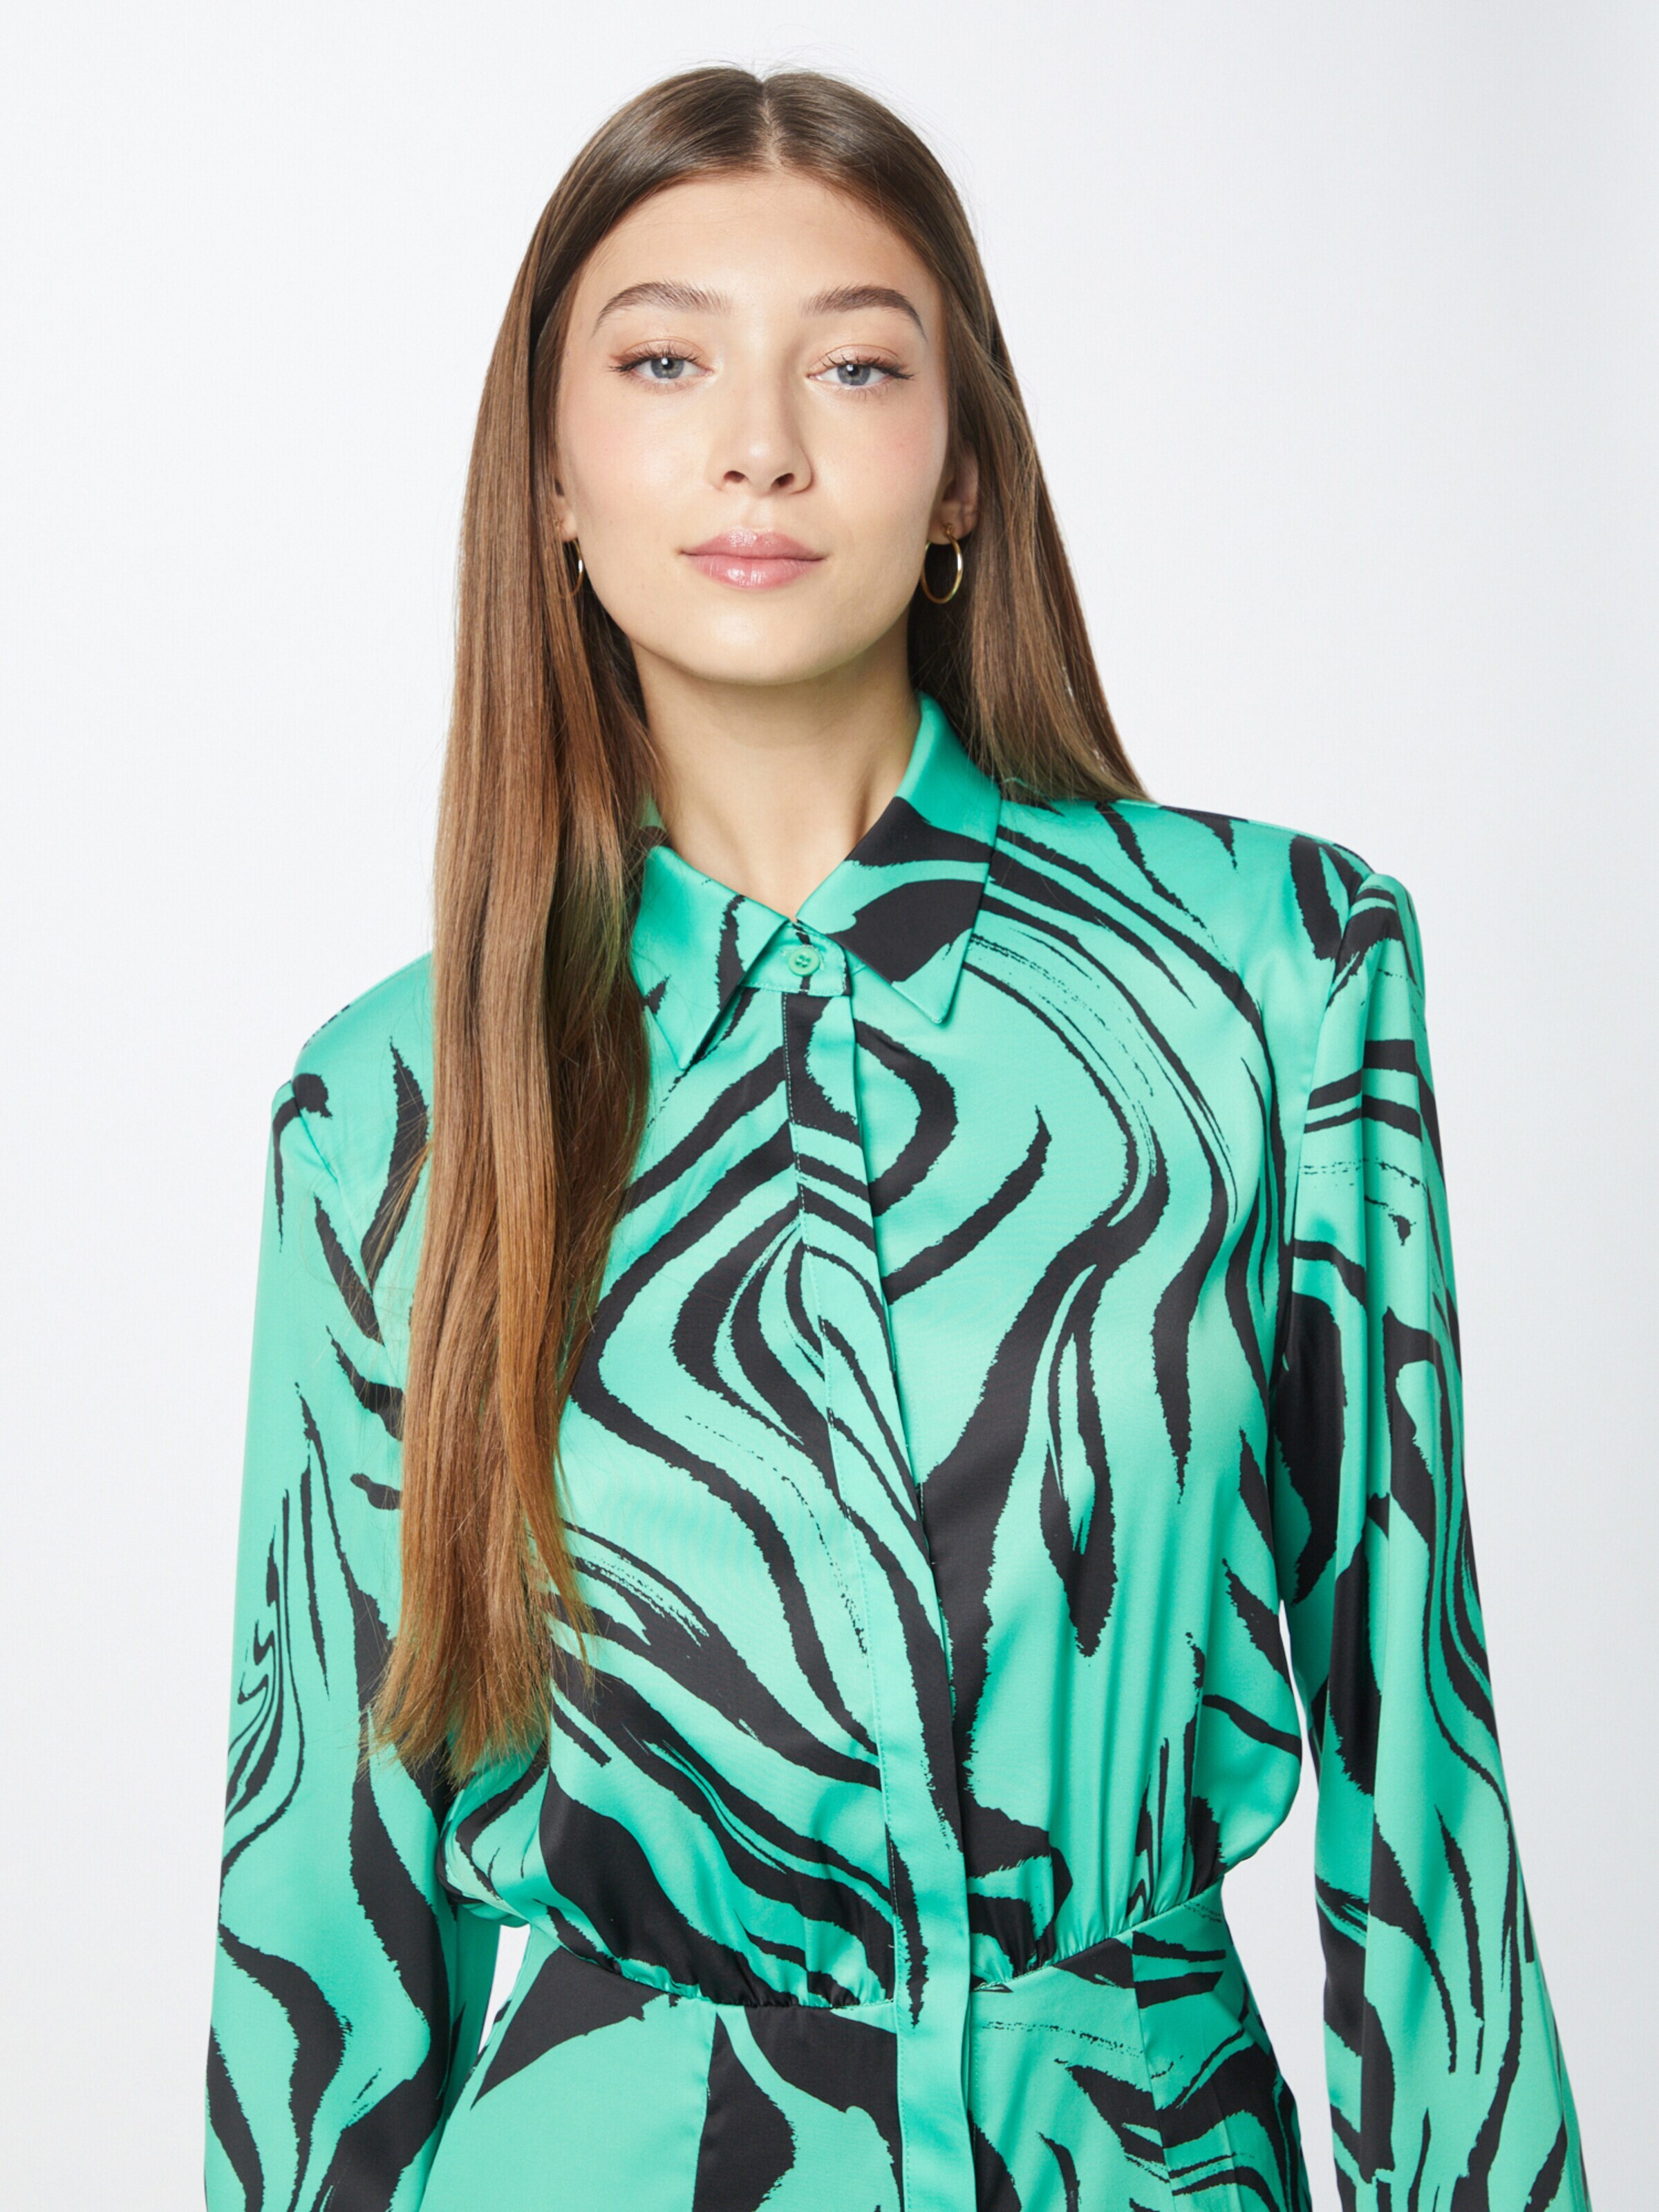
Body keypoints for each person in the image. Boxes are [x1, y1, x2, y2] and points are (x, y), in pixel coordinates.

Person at [202, 63, 1590, 2212]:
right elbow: (326, 1915)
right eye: (664, 363)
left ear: (962, 476)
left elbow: (1426, 1778)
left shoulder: (1270, 979)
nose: (759, 443)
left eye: (854, 366)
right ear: (551, 480)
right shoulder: (390, 1105)